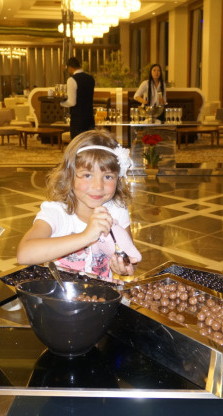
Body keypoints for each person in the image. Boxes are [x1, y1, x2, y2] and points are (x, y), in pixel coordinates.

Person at [17, 130, 141, 281]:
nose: (98, 186)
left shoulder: (117, 210)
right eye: (87, 175)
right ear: (69, 176)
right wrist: (86, 236)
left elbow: (131, 260)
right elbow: (24, 254)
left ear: (118, 179)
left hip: (100, 293)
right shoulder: (56, 212)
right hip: (61, 293)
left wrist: (124, 267)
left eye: (108, 177)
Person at [60, 57, 95, 140]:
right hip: (90, 117)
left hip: (78, 119)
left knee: (77, 142)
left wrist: (61, 103)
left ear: (69, 67)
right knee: (89, 141)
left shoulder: (71, 80)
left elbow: (72, 102)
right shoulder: (91, 78)